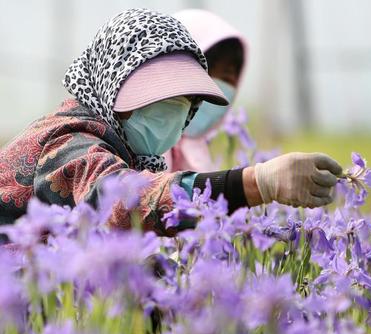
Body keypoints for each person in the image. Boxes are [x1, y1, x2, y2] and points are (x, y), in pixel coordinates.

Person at [0, 9, 342, 235]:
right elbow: (122, 202)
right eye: (154, 98)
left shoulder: (126, 149)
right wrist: (258, 182)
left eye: (183, 104)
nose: (170, 117)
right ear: (109, 82)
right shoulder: (71, 140)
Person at [164, 9, 248, 173]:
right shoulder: (143, 147)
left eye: (229, 82)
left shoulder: (197, 151)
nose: (220, 92)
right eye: (219, 76)